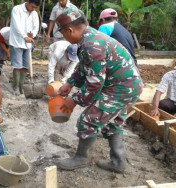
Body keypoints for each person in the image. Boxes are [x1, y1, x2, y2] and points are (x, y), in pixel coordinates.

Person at [55, 7, 143, 173]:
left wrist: (74, 101)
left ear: (70, 30)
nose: (64, 38)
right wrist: (70, 83)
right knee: (112, 122)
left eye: (63, 34)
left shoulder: (91, 44)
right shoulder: (89, 37)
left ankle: (82, 158)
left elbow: (94, 84)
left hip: (121, 88)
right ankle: (118, 162)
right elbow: (85, 65)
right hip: (123, 84)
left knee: (89, 119)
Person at [9, 0, 40, 95]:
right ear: (28, 2)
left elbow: (36, 26)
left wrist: (32, 34)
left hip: (28, 44)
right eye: (32, 7)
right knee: (17, 66)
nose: (34, 9)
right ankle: (15, 87)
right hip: (17, 42)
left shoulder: (34, 13)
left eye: (35, 8)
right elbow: (16, 25)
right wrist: (24, 36)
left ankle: (21, 87)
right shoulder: (17, 9)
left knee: (25, 66)